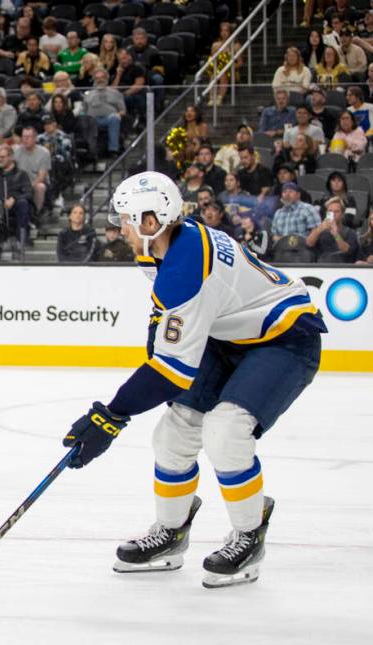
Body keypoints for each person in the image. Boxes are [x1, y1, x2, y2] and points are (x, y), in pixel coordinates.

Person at [61, 171, 326, 589]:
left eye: (125, 221)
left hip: (285, 339)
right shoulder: (161, 248)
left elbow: (170, 371)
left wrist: (110, 416)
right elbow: (167, 326)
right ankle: (171, 532)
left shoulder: (186, 267)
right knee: (174, 432)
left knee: (226, 431)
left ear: (151, 222)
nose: (120, 229)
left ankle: (248, 532)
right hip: (227, 338)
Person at [0, 145, 33, 244]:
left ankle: (21, 239)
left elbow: (29, 193)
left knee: (23, 203)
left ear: (11, 157)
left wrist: (14, 198)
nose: (0, 160)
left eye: (3, 157)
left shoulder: (21, 174)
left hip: (14, 205)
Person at [306, 196, 358, 262]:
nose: (333, 214)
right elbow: (309, 244)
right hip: (322, 267)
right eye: (330, 211)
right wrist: (319, 229)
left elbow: (347, 251)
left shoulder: (350, 232)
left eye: (336, 212)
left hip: (342, 268)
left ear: (342, 214)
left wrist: (336, 234)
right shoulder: (320, 230)